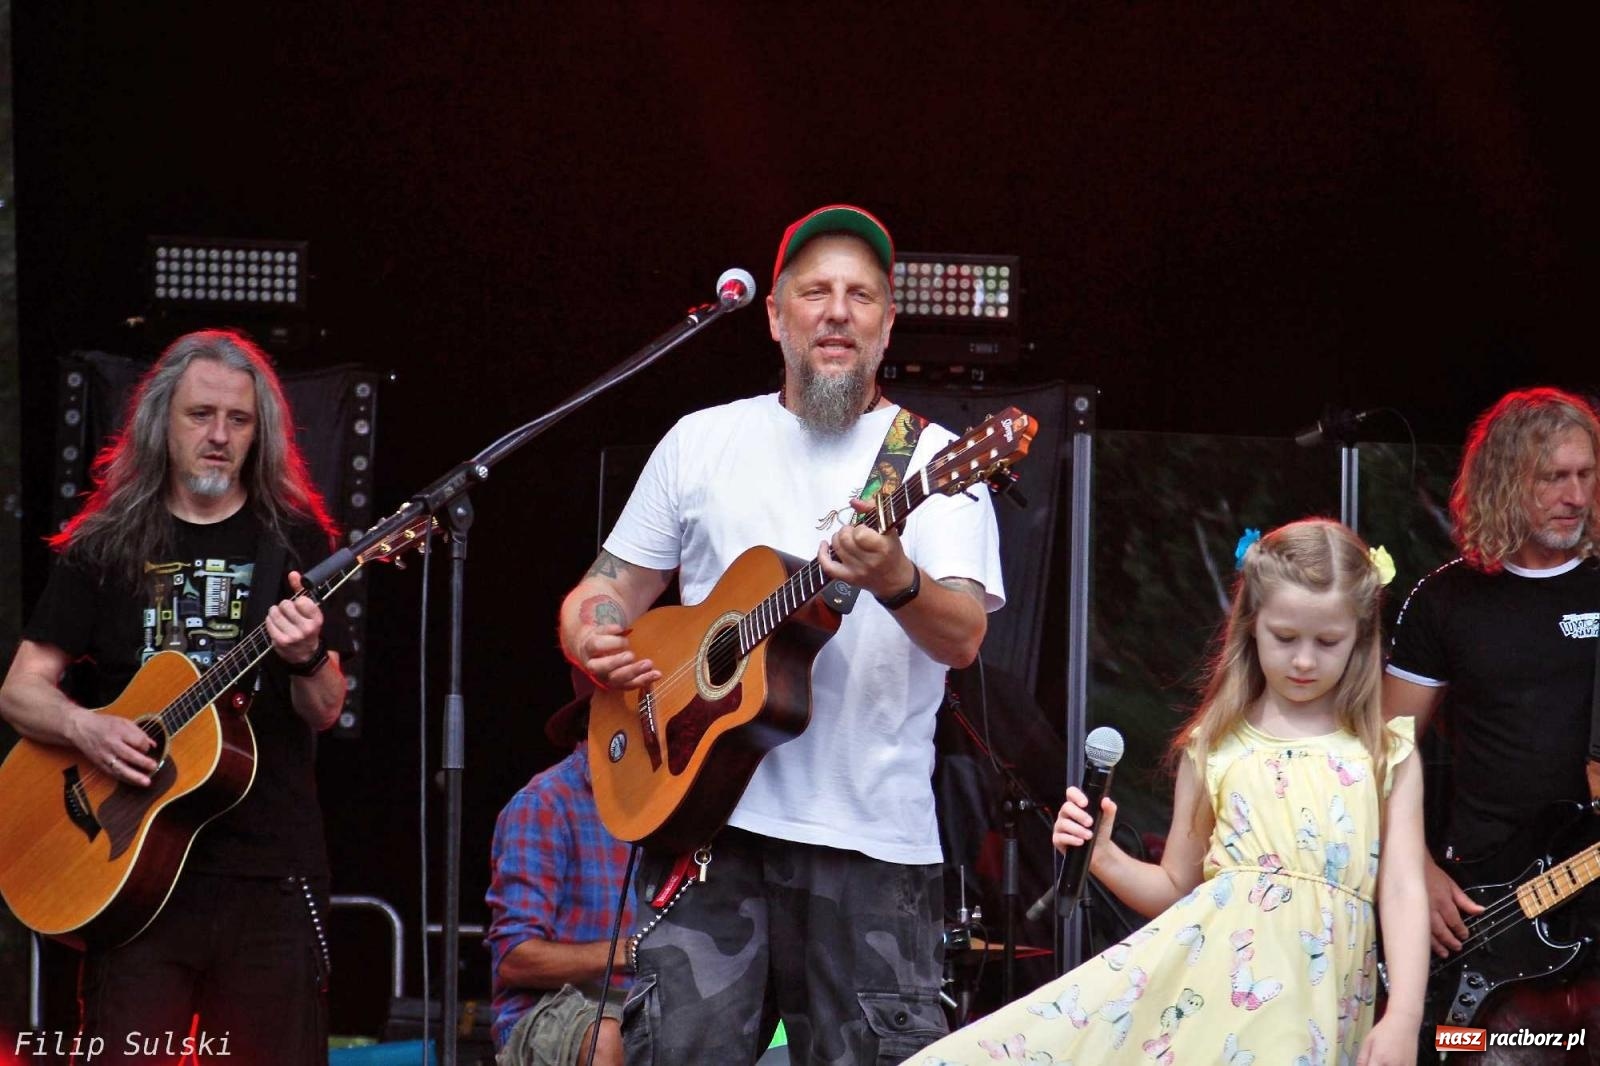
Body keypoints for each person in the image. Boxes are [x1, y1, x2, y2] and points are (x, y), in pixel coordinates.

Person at [557, 204, 1005, 1065]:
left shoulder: (936, 460)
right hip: (708, 831)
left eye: (861, 296)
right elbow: (606, 589)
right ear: (773, 315)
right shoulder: (702, 440)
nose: (837, 312)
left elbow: (962, 639)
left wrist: (896, 579)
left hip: (872, 847)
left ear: (886, 323)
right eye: (815, 292)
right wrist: (592, 635)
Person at [907, 519, 1429, 1066]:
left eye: (1327, 642)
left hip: (1323, 1008)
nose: (1303, 660)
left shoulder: (1384, 754)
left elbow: (1402, 891)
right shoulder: (1218, 746)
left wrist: (1405, 1017)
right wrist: (1103, 857)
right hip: (1216, 1001)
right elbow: (1178, 885)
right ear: (1251, 626)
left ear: (1361, 635)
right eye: (1284, 637)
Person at [0, 329, 345, 1065]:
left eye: (239, 420)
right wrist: (87, 729)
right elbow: (20, 691)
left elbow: (325, 709)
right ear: (163, 421)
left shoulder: (294, 542)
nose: (219, 435)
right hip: (132, 877)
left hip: (267, 879)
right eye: (200, 415)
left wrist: (307, 654)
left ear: (262, 433)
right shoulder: (107, 541)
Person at [1384, 387, 1600, 1061]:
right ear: (1507, 479)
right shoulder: (1446, 599)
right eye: (1554, 477)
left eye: (1587, 474)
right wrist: (1412, 864)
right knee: (1467, 1051)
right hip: (1484, 904)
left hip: (1591, 889)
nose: (1576, 495)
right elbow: (1382, 750)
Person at [487, 678, 636, 1066]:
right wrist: (631, 952)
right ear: (597, 718)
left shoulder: (680, 806)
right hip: (552, 1011)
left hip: (650, 1006)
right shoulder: (544, 804)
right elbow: (515, 959)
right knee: (605, 1035)